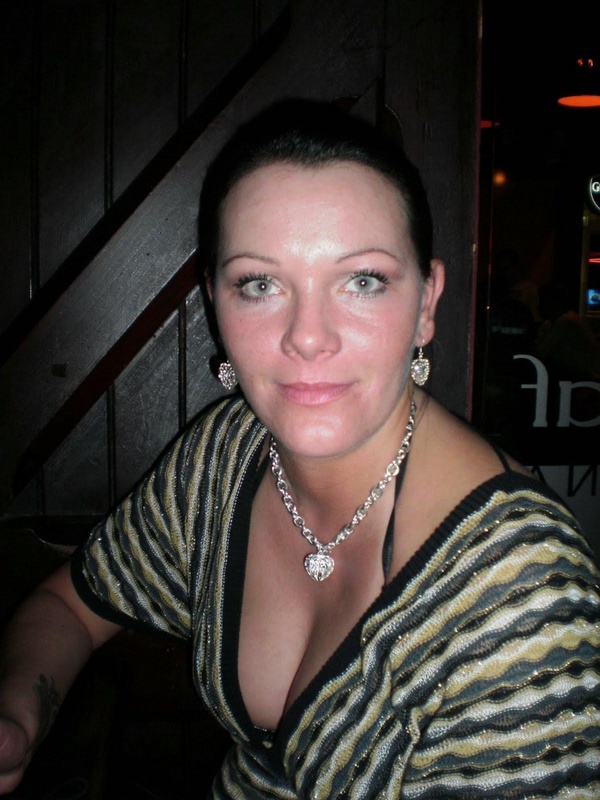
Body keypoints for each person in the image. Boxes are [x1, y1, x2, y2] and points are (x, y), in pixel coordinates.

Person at [1, 99, 599, 799]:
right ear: (215, 304)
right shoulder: (225, 457)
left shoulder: (520, 597)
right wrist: (17, 716)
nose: (307, 337)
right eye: (260, 285)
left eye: (363, 281)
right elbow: (75, 603)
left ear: (426, 303)